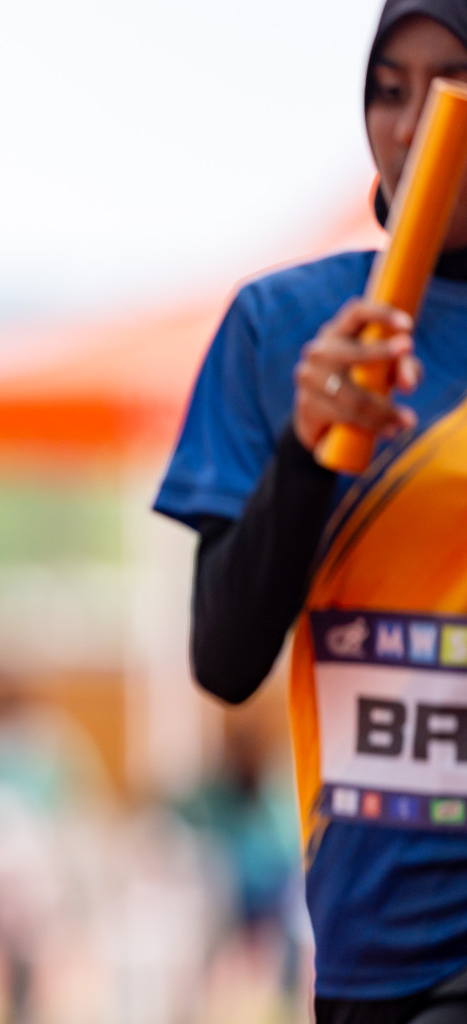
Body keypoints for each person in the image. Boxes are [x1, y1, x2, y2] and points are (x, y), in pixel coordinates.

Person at [155, 3, 467, 1020]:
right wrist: (307, 448)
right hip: (389, 952)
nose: (417, 123)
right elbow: (226, 657)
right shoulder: (284, 328)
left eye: (454, 85)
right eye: (388, 89)